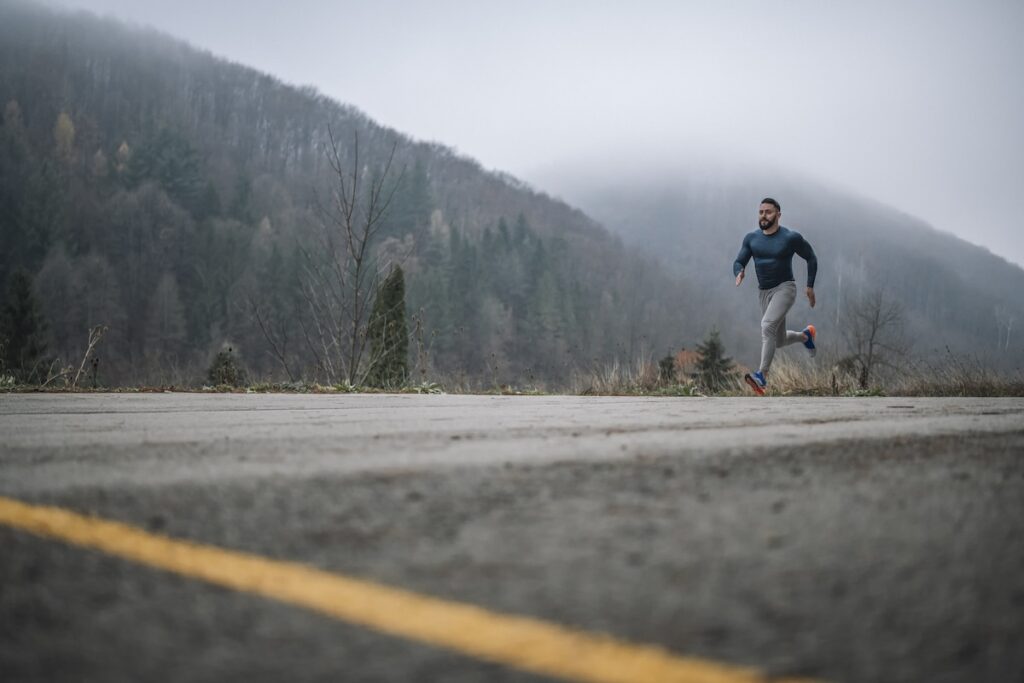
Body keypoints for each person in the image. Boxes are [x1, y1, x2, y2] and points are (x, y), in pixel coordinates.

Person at [733, 197, 818, 395]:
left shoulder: (790, 238)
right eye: (761, 212)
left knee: (767, 326)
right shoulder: (751, 239)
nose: (764, 216)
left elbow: (811, 257)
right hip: (764, 293)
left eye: (768, 212)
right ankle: (806, 336)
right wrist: (739, 271)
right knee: (777, 340)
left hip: (785, 288)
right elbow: (739, 261)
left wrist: (810, 286)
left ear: (778, 215)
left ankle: (761, 376)